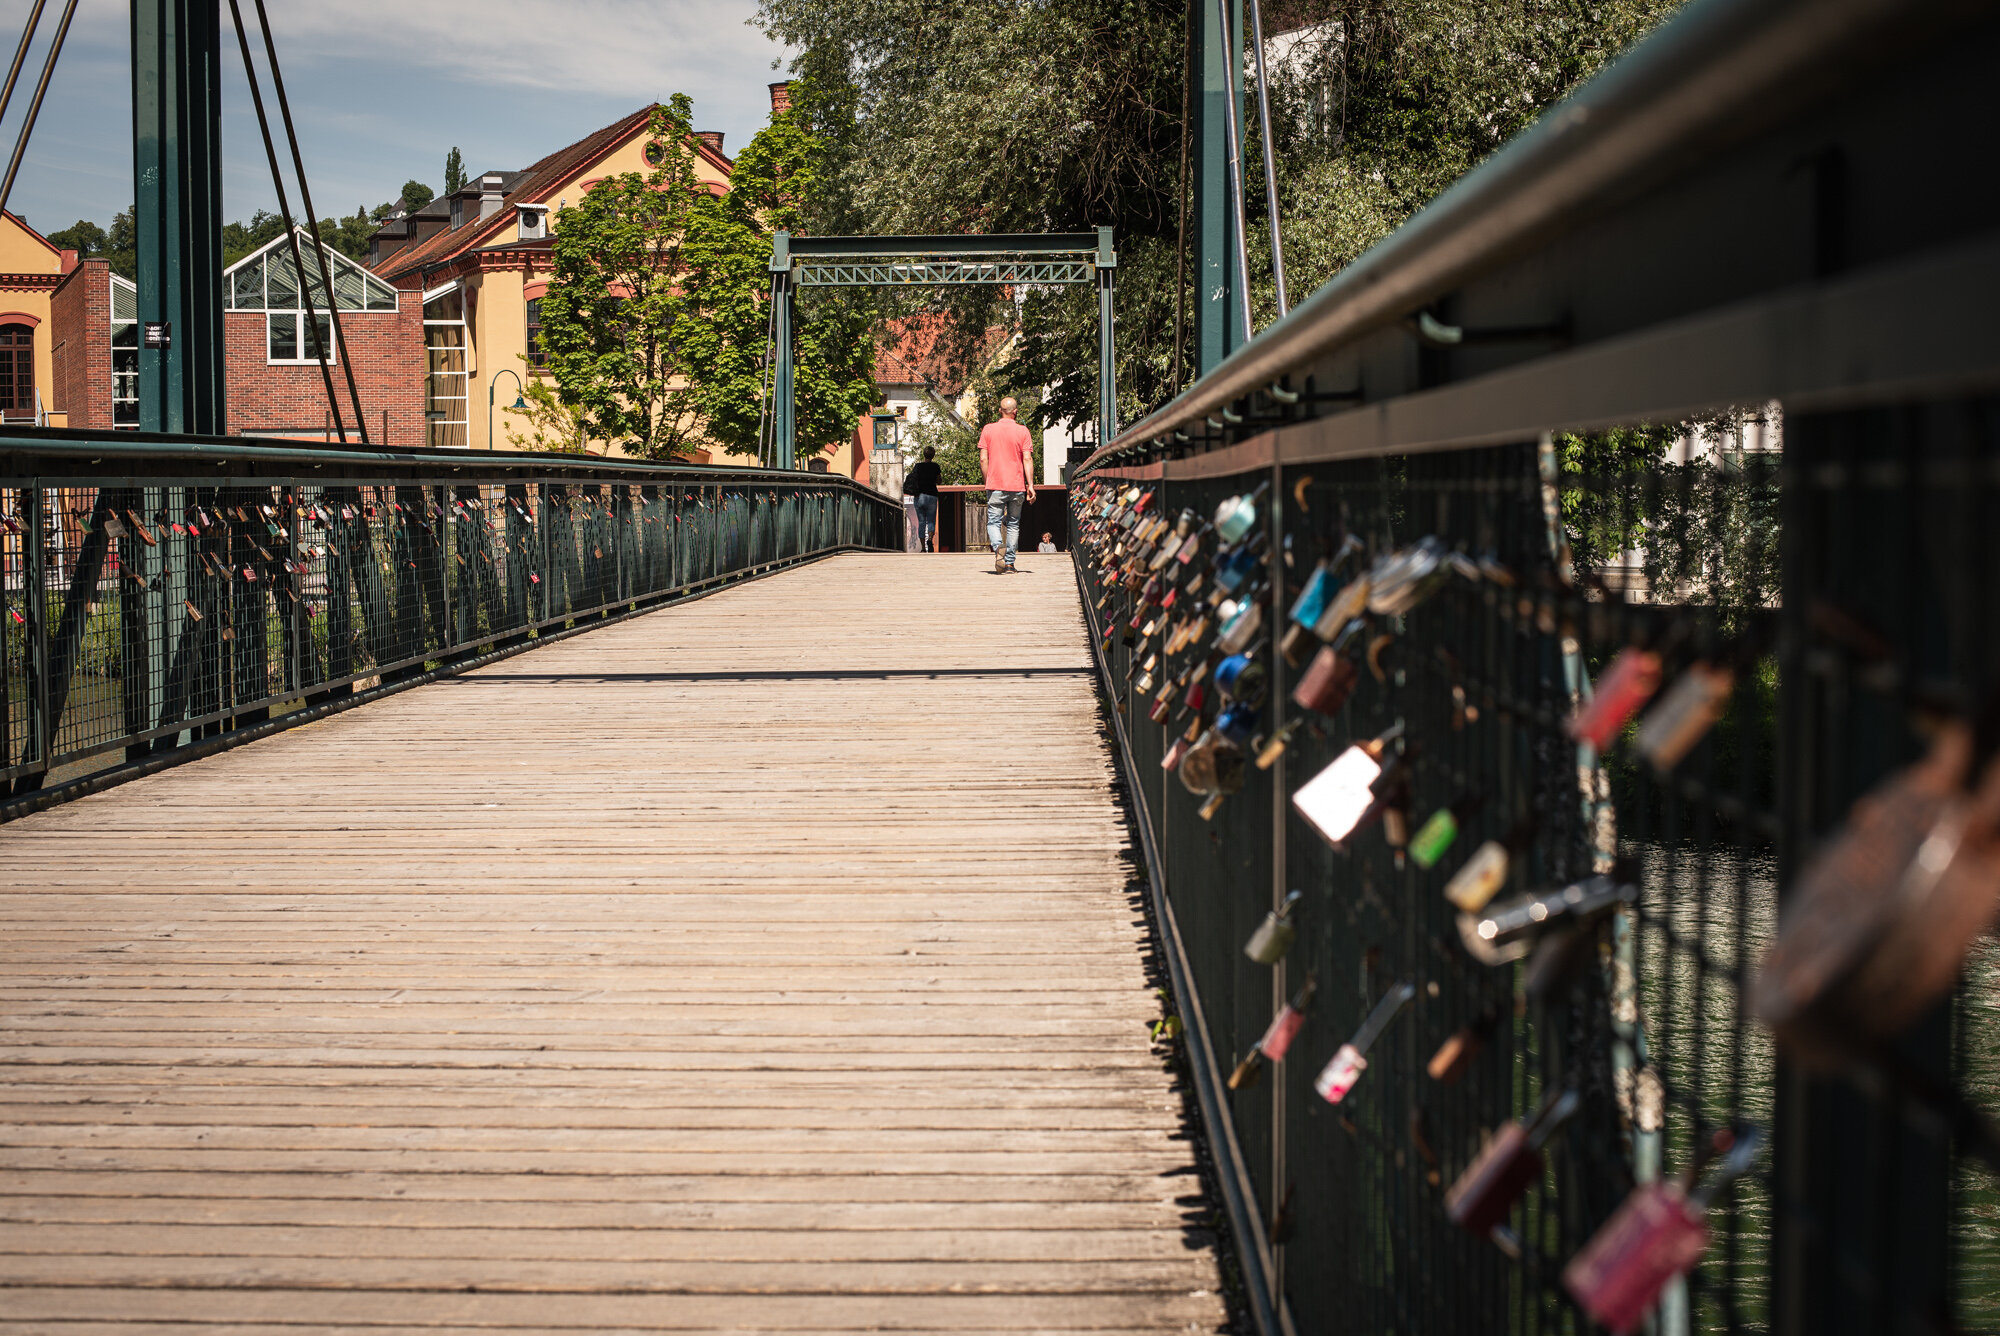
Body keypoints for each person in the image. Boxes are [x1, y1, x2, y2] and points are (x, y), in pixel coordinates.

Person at [978, 396, 1035, 573]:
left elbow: (983, 459)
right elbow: (1027, 458)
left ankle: (998, 548)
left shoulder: (988, 429)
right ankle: (1009, 563)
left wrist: (988, 480)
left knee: (993, 522)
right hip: (1017, 485)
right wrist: (1030, 485)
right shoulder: (1023, 431)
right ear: (1015, 412)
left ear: (999, 411)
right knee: (1013, 524)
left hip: (995, 484)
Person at [904, 446, 942, 552]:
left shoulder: (918, 466)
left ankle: (923, 548)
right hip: (932, 496)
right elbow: (939, 481)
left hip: (919, 496)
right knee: (931, 521)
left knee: (921, 522)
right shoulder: (935, 466)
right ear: (933, 455)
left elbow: (912, 478)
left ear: (923, 455)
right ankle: (930, 540)